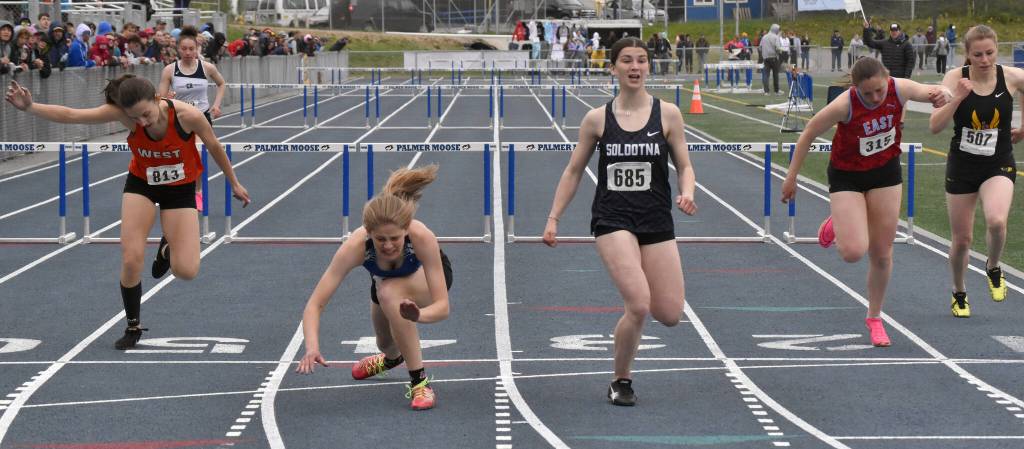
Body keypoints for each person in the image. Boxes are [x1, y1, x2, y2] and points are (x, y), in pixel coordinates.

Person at [5, 75, 251, 349]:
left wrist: (234, 182)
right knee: (131, 257)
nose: (142, 123)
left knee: (186, 271)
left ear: (158, 99)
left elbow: (214, 146)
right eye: (136, 119)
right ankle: (133, 325)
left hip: (180, 187)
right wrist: (30, 108)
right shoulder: (125, 115)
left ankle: (168, 245)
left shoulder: (188, 116)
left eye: (146, 115)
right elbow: (73, 115)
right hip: (142, 183)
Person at [543, 37, 696, 406]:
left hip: (656, 218)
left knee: (671, 313)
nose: (635, 67)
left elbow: (685, 166)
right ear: (612, 68)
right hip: (613, 219)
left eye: (641, 61)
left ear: (648, 67)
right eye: (626, 60)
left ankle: (625, 359)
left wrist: (688, 191)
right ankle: (621, 380)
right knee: (640, 304)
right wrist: (553, 218)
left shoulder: (669, 114)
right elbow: (573, 171)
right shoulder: (597, 119)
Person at [781, 57, 950, 346]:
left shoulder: (899, 88)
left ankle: (874, 317)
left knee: (882, 253)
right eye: (867, 93)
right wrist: (791, 177)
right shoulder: (844, 105)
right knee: (852, 252)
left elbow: (929, 91)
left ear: (887, 80)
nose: (874, 98)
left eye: (879, 91)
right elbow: (808, 132)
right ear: (856, 88)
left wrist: (942, 94)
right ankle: (841, 220)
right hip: (847, 176)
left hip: (885, 173)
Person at [296, 165, 453, 411]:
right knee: (385, 342)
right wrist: (312, 346)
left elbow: (443, 307)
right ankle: (391, 359)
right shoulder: (356, 246)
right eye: (381, 240)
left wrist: (418, 315)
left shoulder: (421, 237)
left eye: (395, 239)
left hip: (424, 279)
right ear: (369, 234)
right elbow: (315, 304)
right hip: (383, 283)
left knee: (391, 294)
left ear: (406, 229)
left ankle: (420, 383)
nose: (388, 245)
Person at [928, 25, 1024, 317]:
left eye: (990, 53)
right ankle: (959, 292)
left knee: (996, 220)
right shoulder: (954, 78)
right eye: (977, 54)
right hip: (963, 164)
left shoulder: (1012, 76)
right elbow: (934, 126)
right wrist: (957, 97)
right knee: (962, 240)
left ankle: (993, 267)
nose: (984, 60)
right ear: (967, 55)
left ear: (997, 49)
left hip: (998, 161)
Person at [157, 26, 226, 125]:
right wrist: (167, 99)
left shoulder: (207, 67)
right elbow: (161, 99)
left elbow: (222, 83)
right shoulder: (169, 70)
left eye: (191, 49)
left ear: (197, 49)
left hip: (202, 116)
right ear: (178, 49)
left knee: (202, 141)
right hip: (180, 118)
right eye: (184, 49)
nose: (188, 53)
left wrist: (216, 105)